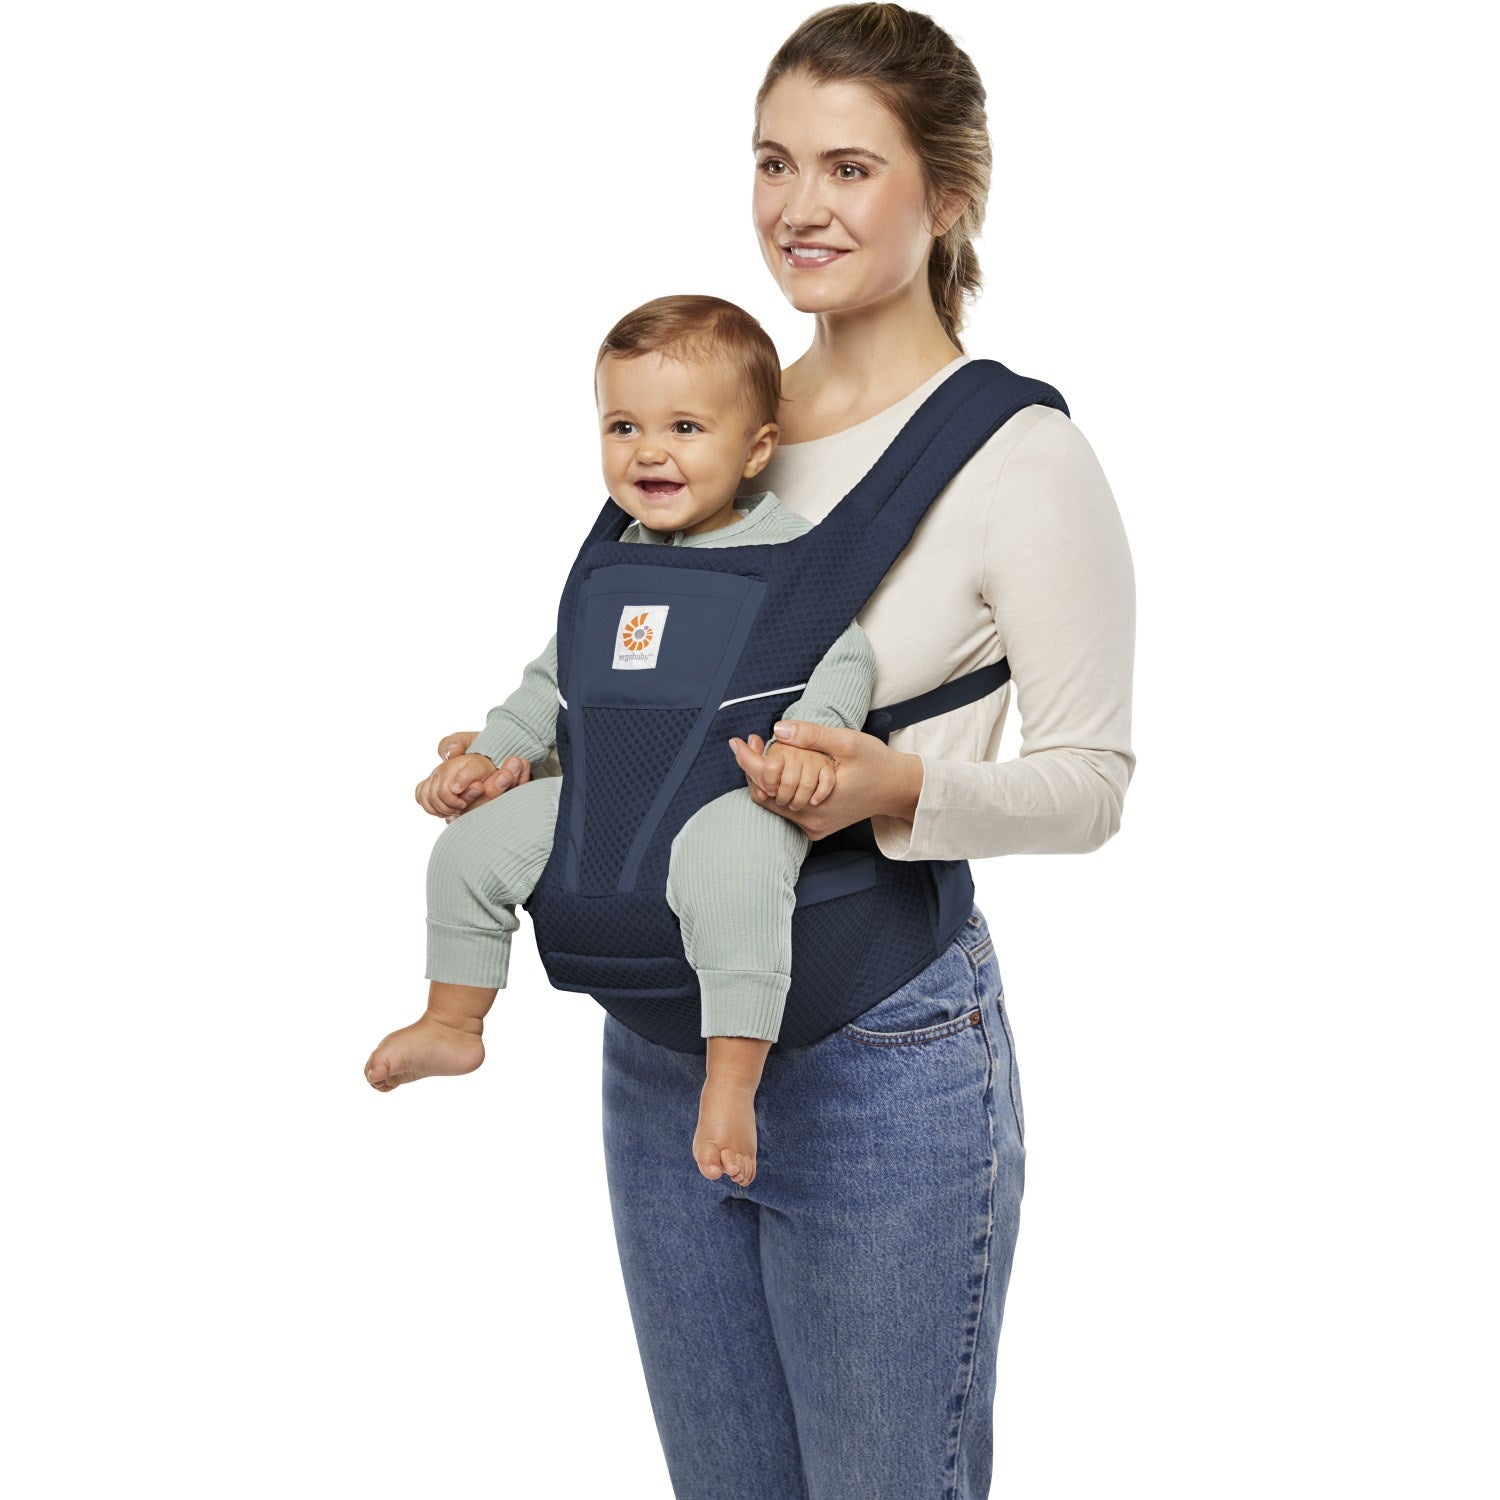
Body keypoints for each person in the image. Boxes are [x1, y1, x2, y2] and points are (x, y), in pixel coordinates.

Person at [434, 5, 1135, 1495]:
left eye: (849, 168)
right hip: (660, 1038)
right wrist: (532, 765)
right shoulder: (700, 409)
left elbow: (1091, 785)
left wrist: (900, 789)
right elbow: (641, 685)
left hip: (879, 1048)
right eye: (773, 162)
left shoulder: (1016, 456)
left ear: (949, 196)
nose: (798, 208)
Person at [364, 294, 878, 1188]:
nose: (649, 451)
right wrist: (489, 757)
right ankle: (454, 1020)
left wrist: (813, 745)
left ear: (756, 448)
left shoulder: (788, 559)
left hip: (733, 790)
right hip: (605, 790)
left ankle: (730, 1081)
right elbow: (551, 682)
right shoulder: (613, 567)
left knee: (735, 875)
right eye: (623, 426)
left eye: (685, 427)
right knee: (471, 850)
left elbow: (845, 656)